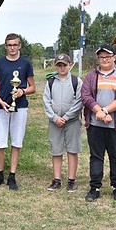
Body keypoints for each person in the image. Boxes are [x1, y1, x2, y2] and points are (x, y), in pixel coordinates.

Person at [81, 44, 116, 202]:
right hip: (95, 125)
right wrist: (98, 111)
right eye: (101, 57)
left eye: (107, 57)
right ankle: (94, 188)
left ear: (114, 58)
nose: (104, 60)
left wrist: (104, 111)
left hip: (115, 125)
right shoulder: (91, 76)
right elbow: (86, 96)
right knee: (96, 156)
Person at [0, 33, 36, 191]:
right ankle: (0, 174)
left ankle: (12, 175)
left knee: (17, 141)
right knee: (0, 142)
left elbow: (33, 87)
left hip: (20, 107)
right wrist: (0, 101)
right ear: (5, 46)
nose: (12, 48)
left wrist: (23, 92)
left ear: (19, 45)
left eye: (15, 45)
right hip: (2, 107)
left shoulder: (26, 63)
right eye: (9, 45)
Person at [42, 53, 83, 192]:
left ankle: (71, 180)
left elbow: (79, 101)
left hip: (72, 121)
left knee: (72, 149)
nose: (62, 68)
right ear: (55, 66)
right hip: (55, 122)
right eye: (59, 65)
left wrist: (66, 117)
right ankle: (57, 179)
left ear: (70, 65)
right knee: (56, 150)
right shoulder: (51, 82)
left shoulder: (76, 81)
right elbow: (46, 101)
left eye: (64, 65)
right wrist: (54, 118)